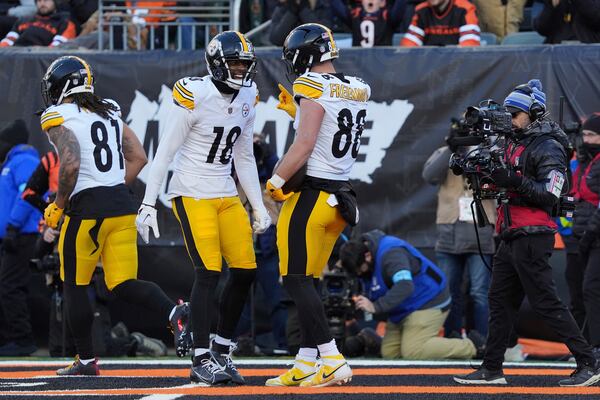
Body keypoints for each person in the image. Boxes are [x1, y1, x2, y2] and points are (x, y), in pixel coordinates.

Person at [136, 31, 272, 386]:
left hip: (226, 193)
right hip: (192, 191)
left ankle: (222, 350)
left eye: (245, 64)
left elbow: (242, 155)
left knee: (245, 271)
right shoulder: (195, 93)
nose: (242, 70)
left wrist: (257, 204)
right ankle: (199, 357)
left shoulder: (248, 97)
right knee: (208, 272)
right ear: (216, 64)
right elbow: (164, 153)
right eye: (235, 63)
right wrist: (148, 202)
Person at [40, 55, 190, 376]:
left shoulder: (56, 114)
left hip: (87, 211)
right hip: (122, 206)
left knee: (74, 284)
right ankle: (174, 312)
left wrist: (59, 205)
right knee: (122, 282)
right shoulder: (108, 108)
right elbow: (138, 156)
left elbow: (70, 164)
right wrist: (112, 189)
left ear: (61, 87)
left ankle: (85, 361)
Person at [453, 79, 600, 387]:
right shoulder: (512, 142)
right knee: (499, 301)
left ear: (533, 114)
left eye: (514, 113)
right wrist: (482, 172)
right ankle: (492, 367)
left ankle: (588, 361)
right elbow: (508, 183)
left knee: (545, 301)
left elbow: (550, 195)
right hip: (509, 231)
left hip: (533, 234)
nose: (508, 118)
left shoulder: (548, 146)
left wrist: (511, 180)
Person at [264, 23, 370, 388]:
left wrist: (275, 182)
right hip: (339, 199)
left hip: (310, 198)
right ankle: (307, 361)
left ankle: (332, 357)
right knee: (308, 281)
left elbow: (306, 144)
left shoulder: (309, 85)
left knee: (294, 279)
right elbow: (327, 128)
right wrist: (295, 110)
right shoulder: (356, 87)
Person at [339, 229, 485, 360]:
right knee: (390, 354)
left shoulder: (391, 254)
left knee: (413, 351)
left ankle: (472, 346)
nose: (359, 274)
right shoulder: (364, 256)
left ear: (368, 255)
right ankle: (445, 343)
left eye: (360, 270)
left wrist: (375, 306)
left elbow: (405, 286)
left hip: (428, 300)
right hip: (404, 306)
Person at [422, 124, 495, 341]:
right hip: (449, 231)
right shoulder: (447, 152)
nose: (469, 135)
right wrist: (451, 147)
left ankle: (481, 340)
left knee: (479, 292)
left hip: (480, 232)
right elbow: (429, 175)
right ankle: (453, 338)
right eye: (464, 130)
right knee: (450, 291)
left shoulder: (491, 152)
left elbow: (497, 177)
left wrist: (484, 148)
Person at [0, 119, 40, 356]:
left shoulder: (24, 160)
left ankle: (23, 339)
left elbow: (28, 194)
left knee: (10, 286)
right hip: (13, 236)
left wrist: (13, 227)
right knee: (8, 286)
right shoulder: (12, 162)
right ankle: (11, 339)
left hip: (23, 235)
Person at [572, 113, 600, 357]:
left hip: (594, 238)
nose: (586, 139)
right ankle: (590, 343)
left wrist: (590, 232)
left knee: (591, 288)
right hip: (583, 238)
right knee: (584, 290)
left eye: (591, 135)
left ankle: (596, 345)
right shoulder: (585, 162)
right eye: (584, 135)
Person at [400, 0, 480, 46]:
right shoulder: (421, 11)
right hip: (429, 68)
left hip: (457, 68)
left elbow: (469, 48)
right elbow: (408, 46)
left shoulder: (465, 9)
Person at [0, 0, 76, 47]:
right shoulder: (24, 20)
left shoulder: (64, 22)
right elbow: (8, 40)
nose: (42, 3)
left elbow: (57, 48)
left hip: (40, 60)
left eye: (46, 0)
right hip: (16, 55)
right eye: (39, 0)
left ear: (54, 2)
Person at [330, 0, 406, 47]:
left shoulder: (388, 18)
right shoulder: (355, 17)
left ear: (382, 2)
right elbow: (336, 5)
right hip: (359, 63)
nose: (371, 0)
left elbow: (400, 5)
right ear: (362, 2)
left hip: (383, 63)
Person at [268, 0, 332, 46]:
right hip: (289, 57)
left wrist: (304, 10)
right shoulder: (283, 8)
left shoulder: (323, 6)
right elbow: (276, 39)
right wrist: (292, 12)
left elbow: (324, 35)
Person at [533, 0, 600, 44]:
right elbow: (542, 29)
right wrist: (552, 6)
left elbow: (596, 16)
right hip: (557, 55)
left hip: (588, 55)